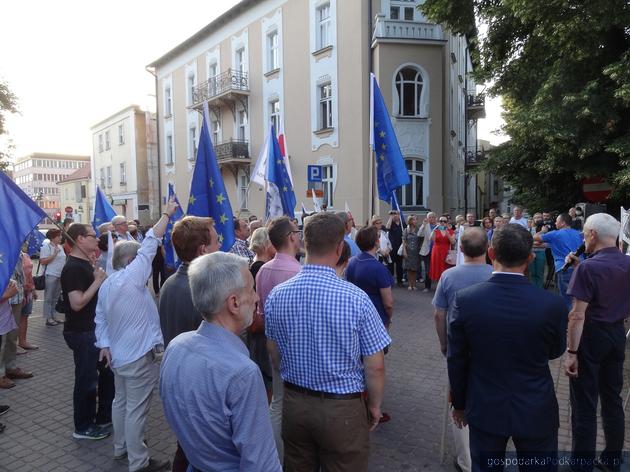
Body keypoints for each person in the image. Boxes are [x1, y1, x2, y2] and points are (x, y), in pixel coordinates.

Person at [265, 213, 391, 471]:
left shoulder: (278, 295)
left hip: (295, 403)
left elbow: (274, 352)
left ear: (304, 245)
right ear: (339, 248)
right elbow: (375, 365)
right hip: (342, 409)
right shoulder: (356, 299)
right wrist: (375, 405)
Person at [448, 224, 567, 471]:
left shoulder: (466, 299)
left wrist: (459, 403)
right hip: (535, 405)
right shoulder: (552, 304)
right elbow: (555, 350)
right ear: (531, 258)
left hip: (485, 404)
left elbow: (457, 358)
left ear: (491, 253)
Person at [160, 252, 282, 472]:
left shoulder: (176, 347)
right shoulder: (242, 373)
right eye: (252, 289)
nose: (256, 298)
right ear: (234, 303)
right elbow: (262, 464)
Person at [95, 200, 177, 472]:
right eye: (140, 258)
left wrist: (104, 343)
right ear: (131, 262)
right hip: (137, 358)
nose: (146, 260)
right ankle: (139, 462)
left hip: (118, 356)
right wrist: (166, 213)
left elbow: (100, 318)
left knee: (121, 403)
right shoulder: (131, 278)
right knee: (136, 410)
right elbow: (152, 240)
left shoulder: (108, 284)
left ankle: (120, 449)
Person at [563, 213, 630, 472]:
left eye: (584, 234)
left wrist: (571, 352)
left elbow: (577, 315)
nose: (583, 238)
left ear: (592, 234)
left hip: (591, 336)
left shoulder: (588, 268)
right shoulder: (626, 263)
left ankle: (582, 464)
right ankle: (612, 460)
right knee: (612, 399)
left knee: (584, 403)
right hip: (616, 335)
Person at [157, 215, 220, 471]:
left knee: (185, 447)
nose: (220, 245)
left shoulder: (170, 282)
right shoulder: (205, 290)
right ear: (203, 249)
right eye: (216, 241)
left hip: (179, 383)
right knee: (196, 453)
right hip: (201, 388)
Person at [432, 227, 493, 472]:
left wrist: (443, 343)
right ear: (487, 249)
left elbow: (438, 314)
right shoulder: (496, 273)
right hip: (491, 348)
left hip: (459, 348)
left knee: (458, 396)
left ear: (461, 248)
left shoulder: (449, 276)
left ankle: (466, 461)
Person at [61, 223, 114, 440]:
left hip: (94, 330)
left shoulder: (84, 263)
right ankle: (83, 426)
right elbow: (76, 303)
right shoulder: (73, 267)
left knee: (106, 375)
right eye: (93, 236)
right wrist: (98, 281)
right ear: (80, 239)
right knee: (86, 379)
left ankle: (103, 417)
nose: (97, 240)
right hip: (82, 332)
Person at [256, 217, 302, 463]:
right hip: (296, 349)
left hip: (272, 343)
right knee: (295, 404)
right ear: (291, 237)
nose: (300, 235)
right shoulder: (297, 272)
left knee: (277, 403)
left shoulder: (264, 269)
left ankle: (276, 456)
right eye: (297, 231)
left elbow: (261, 310)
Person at [247, 227, 276, 396]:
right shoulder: (261, 268)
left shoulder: (254, 264)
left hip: (256, 329)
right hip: (260, 329)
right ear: (266, 244)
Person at [534, 213, 583, 309]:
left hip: (565, 268)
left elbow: (534, 237)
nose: (555, 223)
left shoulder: (555, 234)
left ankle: (568, 322)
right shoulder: (578, 233)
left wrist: (543, 231)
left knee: (567, 300)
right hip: (580, 267)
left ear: (563, 223)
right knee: (578, 299)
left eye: (557, 221)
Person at [40, 228, 67, 326]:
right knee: (49, 297)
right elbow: (43, 261)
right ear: (52, 237)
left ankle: (54, 315)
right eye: (58, 236)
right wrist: (54, 254)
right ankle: (48, 318)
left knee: (56, 297)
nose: (60, 237)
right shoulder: (46, 247)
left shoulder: (60, 246)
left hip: (60, 275)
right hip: (51, 274)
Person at [0, 280, 19, 390]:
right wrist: (8, 294)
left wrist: (10, 282)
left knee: (7, 344)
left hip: (4, 317)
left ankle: (7, 371)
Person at [17, 248, 37, 350]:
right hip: (16, 292)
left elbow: (30, 275)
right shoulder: (9, 254)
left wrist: (33, 290)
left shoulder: (25, 255)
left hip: (27, 291)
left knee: (25, 316)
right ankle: (12, 346)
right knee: (13, 320)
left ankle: (22, 341)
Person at [429, 217, 456, 284]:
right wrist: (435, 228)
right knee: (438, 268)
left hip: (446, 252)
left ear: (447, 222)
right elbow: (431, 239)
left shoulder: (451, 231)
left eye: (444, 221)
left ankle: (445, 284)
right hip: (437, 252)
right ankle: (439, 285)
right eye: (441, 221)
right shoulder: (436, 231)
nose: (443, 223)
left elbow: (453, 242)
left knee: (446, 268)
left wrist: (447, 232)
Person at [418, 212, 438, 292]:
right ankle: (427, 286)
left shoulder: (439, 226)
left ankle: (439, 286)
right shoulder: (426, 226)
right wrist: (423, 225)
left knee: (437, 269)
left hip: (437, 251)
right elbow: (419, 234)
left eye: (433, 217)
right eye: (429, 217)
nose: (431, 218)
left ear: (435, 218)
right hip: (427, 251)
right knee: (428, 269)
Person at [401, 215, 421, 290]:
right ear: (410, 221)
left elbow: (421, 239)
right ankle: (410, 284)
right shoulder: (406, 230)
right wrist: (404, 251)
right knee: (409, 269)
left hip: (416, 252)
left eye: (416, 219)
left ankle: (414, 284)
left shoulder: (418, 229)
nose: (415, 221)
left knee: (415, 268)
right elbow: (404, 241)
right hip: (408, 251)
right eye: (414, 220)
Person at [385, 210, 404, 286]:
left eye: (397, 214)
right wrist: (391, 217)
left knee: (399, 265)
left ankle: (400, 281)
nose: (396, 215)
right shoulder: (391, 223)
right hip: (392, 248)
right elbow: (387, 227)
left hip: (400, 247)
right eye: (394, 214)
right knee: (391, 265)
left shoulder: (402, 224)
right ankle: (390, 280)